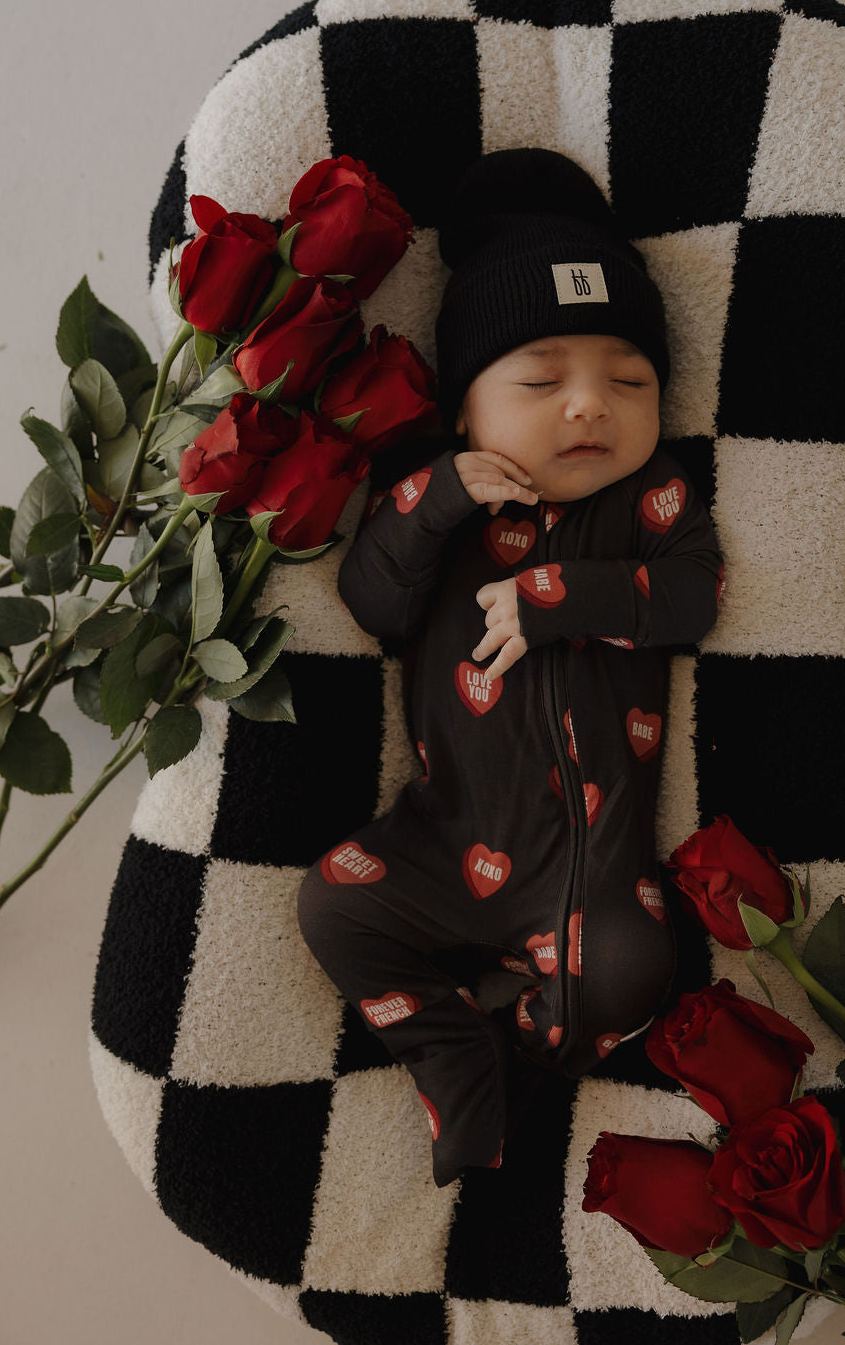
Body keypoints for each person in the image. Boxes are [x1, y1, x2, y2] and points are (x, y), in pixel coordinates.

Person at [297, 147, 723, 1188]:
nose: (590, 406)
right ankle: (449, 1046)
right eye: (541, 380)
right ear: (465, 408)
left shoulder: (652, 501)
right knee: (332, 905)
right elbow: (370, 603)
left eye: (629, 381)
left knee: (630, 974)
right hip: (446, 839)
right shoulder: (436, 500)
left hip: (588, 866)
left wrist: (561, 594)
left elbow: (692, 602)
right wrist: (439, 497)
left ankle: (522, 1058)